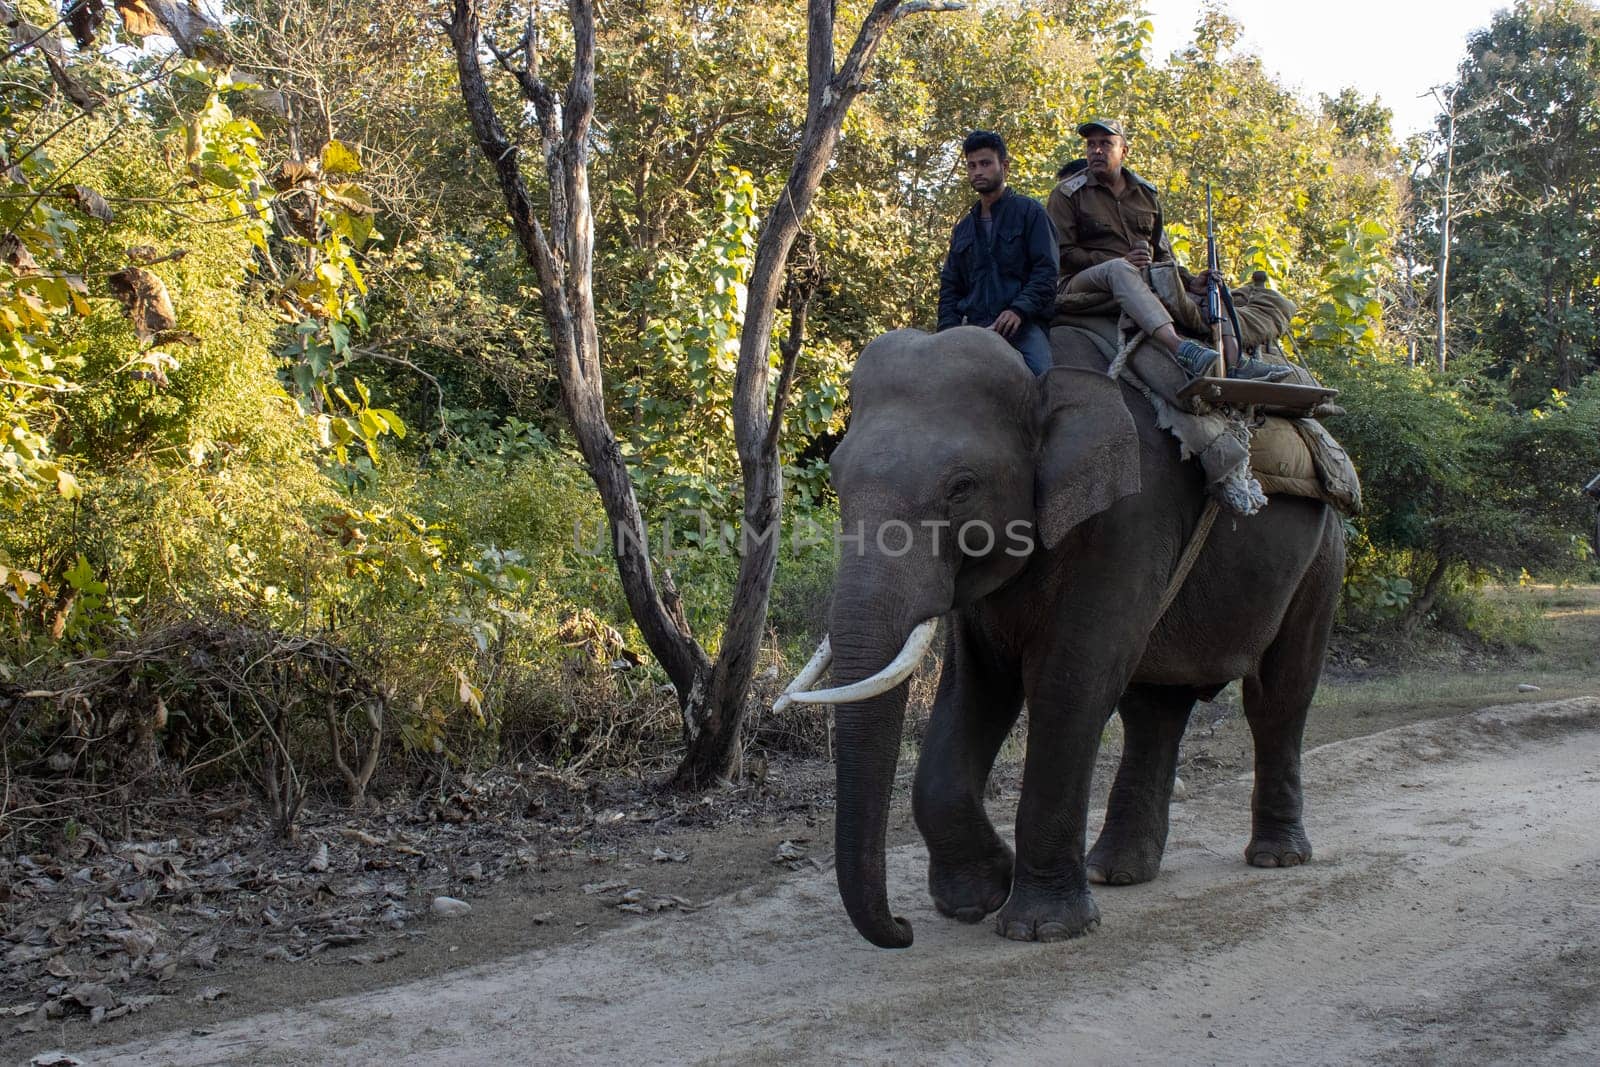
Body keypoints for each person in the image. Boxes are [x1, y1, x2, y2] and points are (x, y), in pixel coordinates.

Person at [1048, 119, 1290, 382]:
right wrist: (1119, 259)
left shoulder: (1146, 195)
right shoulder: (1067, 193)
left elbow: (1163, 255)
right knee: (1119, 268)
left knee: (1213, 286)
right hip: (1081, 282)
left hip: (1142, 279)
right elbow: (1060, 254)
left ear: (1124, 151)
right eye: (1091, 145)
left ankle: (1234, 360)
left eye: (1105, 144)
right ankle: (1180, 348)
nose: (1096, 151)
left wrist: (1190, 281)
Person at [936, 130, 1058, 376]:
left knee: (1044, 381)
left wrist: (1019, 310)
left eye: (985, 163)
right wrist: (947, 332)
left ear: (1004, 166)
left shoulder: (1030, 213)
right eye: (971, 166)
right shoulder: (964, 229)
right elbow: (951, 285)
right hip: (974, 328)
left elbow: (1046, 271)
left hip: (1022, 328)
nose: (977, 171)